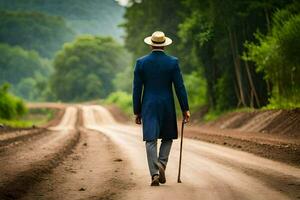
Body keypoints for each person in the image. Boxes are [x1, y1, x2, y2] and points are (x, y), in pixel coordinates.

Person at [133, 31, 190, 186]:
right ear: (164, 45)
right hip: (167, 105)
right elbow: (180, 87)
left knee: (150, 139)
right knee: (168, 136)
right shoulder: (172, 62)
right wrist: (185, 108)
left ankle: (154, 175)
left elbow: (137, 89)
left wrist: (137, 111)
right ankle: (162, 163)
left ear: (151, 44)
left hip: (149, 106)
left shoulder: (141, 63)